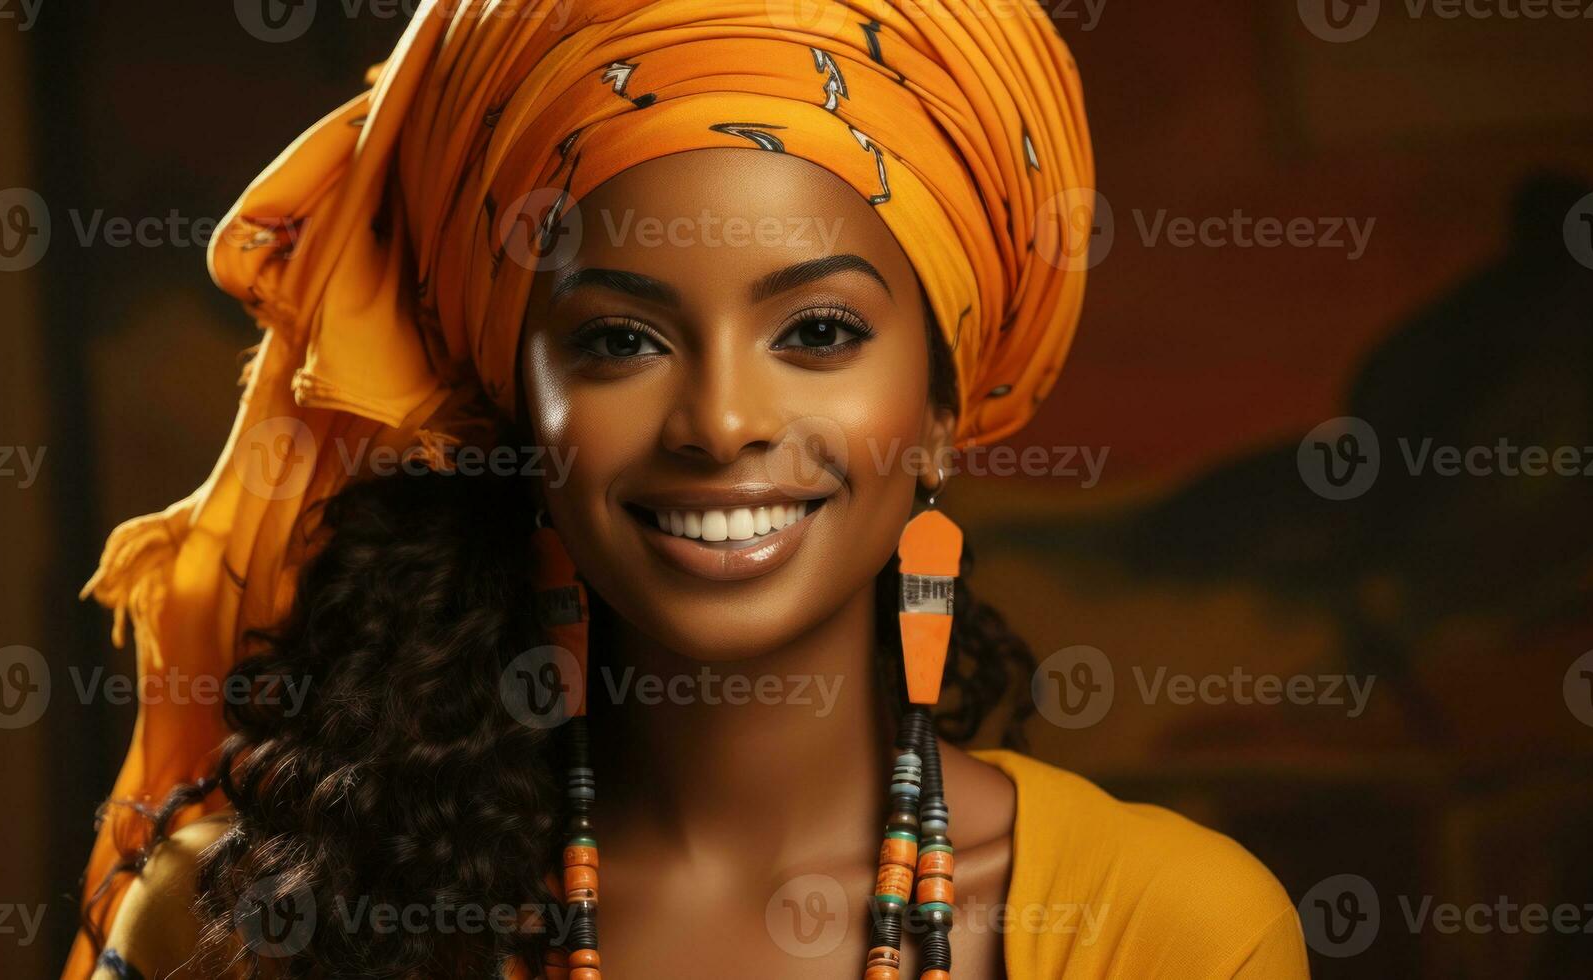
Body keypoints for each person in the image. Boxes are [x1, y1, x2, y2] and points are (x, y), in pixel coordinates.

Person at [70, 1, 1308, 977]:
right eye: (619, 341)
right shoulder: (242, 912)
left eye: (818, 332)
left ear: (940, 405)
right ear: (524, 410)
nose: (721, 422)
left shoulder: (1172, 934)